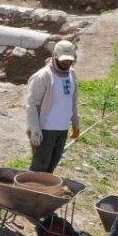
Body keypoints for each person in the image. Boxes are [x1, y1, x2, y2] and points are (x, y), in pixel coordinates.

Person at [23, 41, 80, 173]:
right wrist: (35, 131)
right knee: (40, 166)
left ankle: (44, 192)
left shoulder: (72, 74)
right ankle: (32, 191)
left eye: (69, 61)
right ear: (55, 56)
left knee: (52, 164)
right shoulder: (43, 76)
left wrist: (75, 123)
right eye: (63, 60)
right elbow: (31, 105)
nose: (66, 63)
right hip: (46, 129)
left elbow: (72, 101)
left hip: (62, 128)